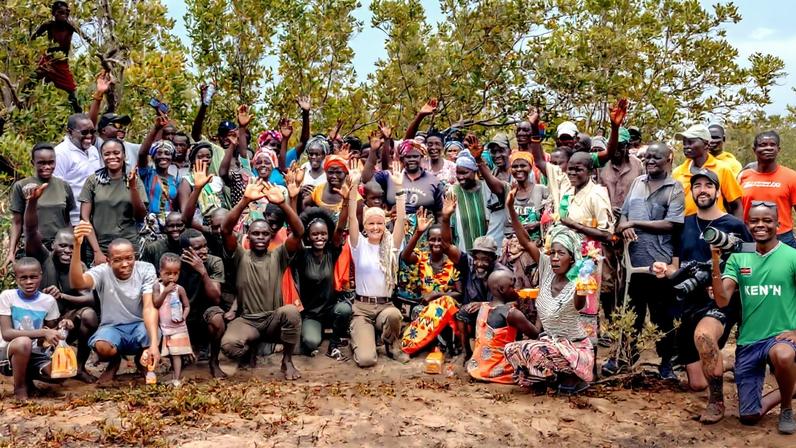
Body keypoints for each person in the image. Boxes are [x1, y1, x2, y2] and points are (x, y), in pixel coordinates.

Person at [652, 168, 751, 424]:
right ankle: (725, 363)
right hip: (687, 302)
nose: (703, 190)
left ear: (718, 191)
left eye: (709, 185)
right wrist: (665, 270)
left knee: (705, 336)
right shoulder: (684, 224)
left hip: (720, 301)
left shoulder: (735, 225)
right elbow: (676, 265)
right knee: (696, 383)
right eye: (697, 186)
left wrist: (729, 283)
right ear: (692, 192)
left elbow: (751, 267)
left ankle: (716, 402)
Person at [711, 202, 796, 434]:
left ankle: (787, 408)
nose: (761, 225)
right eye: (755, 221)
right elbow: (722, 300)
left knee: (783, 354)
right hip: (750, 339)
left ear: (778, 224)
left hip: (781, 337)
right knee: (749, 416)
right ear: (748, 224)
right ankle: (791, 387)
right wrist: (715, 261)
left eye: (767, 220)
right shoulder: (740, 257)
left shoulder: (792, 256)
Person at [503, 196, 595, 394]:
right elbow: (525, 240)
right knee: (511, 350)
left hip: (574, 349)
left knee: (534, 351)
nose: (554, 258)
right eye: (552, 252)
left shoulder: (576, 283)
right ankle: (553, 377)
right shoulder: (546, 268)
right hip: (551, 343)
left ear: (571, 258)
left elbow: (579, 304)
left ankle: (572, 377)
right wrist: (510, 207)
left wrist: (582, 287)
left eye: (560, 253)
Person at [608, 142, 685, 379]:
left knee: (662, 316)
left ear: (669, 159)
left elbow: (672, 224)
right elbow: (624, 217)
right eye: (648, 157)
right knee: (632, 312)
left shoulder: (675, 188)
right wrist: (624, 227)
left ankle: (665, 364)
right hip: (633, 263)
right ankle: (625, 358)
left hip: (660, 264)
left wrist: (635, 224)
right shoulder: (637, 183)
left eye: (657, 157)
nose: (651, 161)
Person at [215, 180, 304, 379]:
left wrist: (283, 203)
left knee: (291, 311)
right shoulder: (240, 255)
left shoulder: (279, 255)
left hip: (273, 319)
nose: (261, 237)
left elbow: (299, 232)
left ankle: (287, 361)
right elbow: (225, 230)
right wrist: (245, 200)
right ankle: (250, 351)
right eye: (256, 233)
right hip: (248, 321)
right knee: (229, 345)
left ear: (271, 236)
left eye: (265, 233)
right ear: (248, 237)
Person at [68, 224, 160, 384]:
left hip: (139, 325)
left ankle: (142, 361)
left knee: (153, 334)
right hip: (112, 327)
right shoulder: (102, 271)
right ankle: (114, 363)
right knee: (103, 347)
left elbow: (149, 307)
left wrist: (153, 345)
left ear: (135, 257)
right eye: (118, 260)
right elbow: (77, 282)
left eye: (129, 258)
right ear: (108, 261)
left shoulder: (146, 269)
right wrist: (77, 246)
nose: (125, 264)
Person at [23, 183, 97, 383]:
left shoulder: (79, 265)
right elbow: (30, 231)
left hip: (67, 320)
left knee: (90, 315)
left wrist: (63, 297)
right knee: (56, 377)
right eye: (63, 246)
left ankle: (80, 367)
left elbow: (90, 299)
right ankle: (29, 373)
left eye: (72, 246)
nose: (67, 251)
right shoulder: (44, 258)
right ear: (53, 245)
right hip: (41, 322)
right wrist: (32, 203)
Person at [346, 170, 408, 367]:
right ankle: (359, 339)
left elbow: (400, 221)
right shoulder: (358, 245)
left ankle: (391, 345)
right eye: (371, 223)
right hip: (362, 308)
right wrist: (354, 186)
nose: (375, 227)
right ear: (365, 225)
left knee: (394, 315)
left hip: (384, 306)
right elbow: (352, 219)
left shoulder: (391, 246)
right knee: (366, 360)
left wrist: (398, 188)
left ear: (384, 225)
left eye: (380, 223)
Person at [440, 192, 509, 360]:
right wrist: (445, 218)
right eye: (477, 258)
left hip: (495, 316)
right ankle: (466, 353)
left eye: (484, 260)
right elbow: (447, 246)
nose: (479, 264)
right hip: (470, 315)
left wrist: (484, 305)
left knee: (494, 316)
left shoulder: (502, 273)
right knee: (461, 312)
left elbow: (511, 303)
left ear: (493, 259)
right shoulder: (468, 263)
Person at [0, 257, 73, 399]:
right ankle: (20, 388)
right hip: (7, 352)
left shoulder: (48, 301)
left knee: (61, 372)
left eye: (33, 277)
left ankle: (28, 379)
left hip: (34, 353)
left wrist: (63, 325)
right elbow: (7, 333)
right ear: (16, 278)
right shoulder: (7, 297)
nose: (28, 282)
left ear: (41, 275)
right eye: (23, 278)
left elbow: (49, 333)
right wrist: (43, 332)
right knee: (23, 342)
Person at [291, 207, 352, 357]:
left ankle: (334, 343)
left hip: (330, 311)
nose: (320, 237)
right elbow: (295, 231)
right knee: (311, 342)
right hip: (312, 315)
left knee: (344, 309)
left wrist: (345, 202)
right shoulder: (302, 255)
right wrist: (293, 199)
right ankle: (312, 334)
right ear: (308, 236)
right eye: (315, 234)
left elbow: (340, 230)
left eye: (323, 234)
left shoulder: (331, 252)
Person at [399, 208, 461, 356]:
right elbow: (405, 256)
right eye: (433, 239)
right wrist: (418, 233)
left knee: (446, 306)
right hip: (426, 308)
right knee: (418, 311)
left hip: (447, 309)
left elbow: (460, 292)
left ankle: (446, 346)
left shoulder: (454, 262)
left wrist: (436, 295)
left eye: (440, 239)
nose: (437, 243)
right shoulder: (422, 258)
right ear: (427, 241)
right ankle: (430, 345)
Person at [6, 143, 75, 273]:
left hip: (58, 250)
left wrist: (71, 247)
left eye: (51, 162)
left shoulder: (64, 186)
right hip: (33, 247)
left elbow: (67, 221)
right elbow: (16, 222)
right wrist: (11, 252)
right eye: (41, 163)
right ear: (33, 162)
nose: (47, 167)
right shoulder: (22, 186)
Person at [79, 139, 148, 258]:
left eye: (116, 153)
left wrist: (132, 187)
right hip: (100, 247)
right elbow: (84, 218)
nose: (112, 157)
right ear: (102, 157)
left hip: (128, 245)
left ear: (124, 155)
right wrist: (97, 252)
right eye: (107, 154)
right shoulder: (93, 181)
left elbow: (140, 215)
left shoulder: (134, 180)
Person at [466, 270, 536, 384]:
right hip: (497, 369)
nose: (517, 289)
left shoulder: (484, 307)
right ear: (502, 290)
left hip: (477, 367)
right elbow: (535, 333)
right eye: (512, 286)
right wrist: (540, 307)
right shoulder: (511, 313)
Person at [738, 131, 796, 248]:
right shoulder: (743, 176)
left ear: (778, 149)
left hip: (782, 237)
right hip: (750, 237)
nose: (768, 148)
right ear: (754, 149)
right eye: (763, 145)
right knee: (748, 267)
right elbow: (736, 207)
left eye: (772, 144)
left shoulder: (791, 176)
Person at [672, 124, 743, 219]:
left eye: (691, 142)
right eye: (684, 143)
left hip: (714, 228)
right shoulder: (678, 172)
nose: (686, 146)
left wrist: (737, 230)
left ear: (706, 144)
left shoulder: (722, 169)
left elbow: (736, 205)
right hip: (686, 229)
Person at [29, 1, 81, 112]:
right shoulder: (48, 25)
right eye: (60, 12)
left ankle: (79, 115)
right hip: (48, 61)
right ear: (54, 13)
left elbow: (86, 38)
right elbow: (33, 38)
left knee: (71, 91)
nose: (64, 15)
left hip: (62, 64)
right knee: (30, 81)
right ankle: (21, 104)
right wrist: (33, 54)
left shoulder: (70, 27)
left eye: (66, 13)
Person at [54, 113, 102, 225]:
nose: (89, 136)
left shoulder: (93, 150)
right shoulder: (60, 153)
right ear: (70, 132)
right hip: (74, 221)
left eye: (92, 132)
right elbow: (57, 190)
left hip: (95, 218)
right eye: (84, 132)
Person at [154, 253, 192, 387]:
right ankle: (154, 375)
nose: (171, 277)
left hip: (177, 327)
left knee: (176, 354)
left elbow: (187, 306)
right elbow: (156, 303)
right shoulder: (158, 287)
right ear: (160, 272)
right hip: (163, 327)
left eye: (175, 273)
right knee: (165, 353)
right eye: (167, 273)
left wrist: (183, 317)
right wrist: (165, 292)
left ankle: (176, 379)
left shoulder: (179, 289)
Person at [137, 115, 180, 226]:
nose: (163, 156)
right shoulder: (147, 174)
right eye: (159, 153)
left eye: (167, 153)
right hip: (149, 225)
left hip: (170, 226)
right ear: (153, 156)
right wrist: (156, 128)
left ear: (172, 157)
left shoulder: (175, 180)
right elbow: (142, 154)